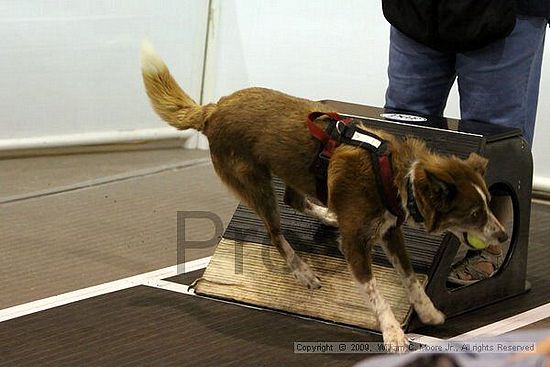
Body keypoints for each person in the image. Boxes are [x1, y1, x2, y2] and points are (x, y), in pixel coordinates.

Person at [383, 1, 549, 284]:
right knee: (402, 128)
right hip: (418, 10)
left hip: (509, 12)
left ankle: (487, 250)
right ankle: (398, 242)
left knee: (497, 137)